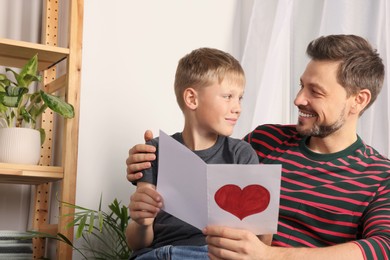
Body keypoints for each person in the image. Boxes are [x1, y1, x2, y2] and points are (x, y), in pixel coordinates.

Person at [125, 34, 390, 259]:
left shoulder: (380, 176)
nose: (298, 99)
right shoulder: (264, 141)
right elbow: (203, 169)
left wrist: (269, 255)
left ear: (358, 100)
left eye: (315, 92)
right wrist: (150, 161)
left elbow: (383, 246)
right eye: (301, 86)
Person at [126, 47, 272, 260]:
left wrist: (263, 219)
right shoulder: (157, 151)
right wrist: (142, 221)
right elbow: (137, 242)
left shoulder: (240, 154)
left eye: (240, 98)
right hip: (155, 254)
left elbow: (261, 243)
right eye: (228, 96)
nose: (238, 107)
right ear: (192, 99)